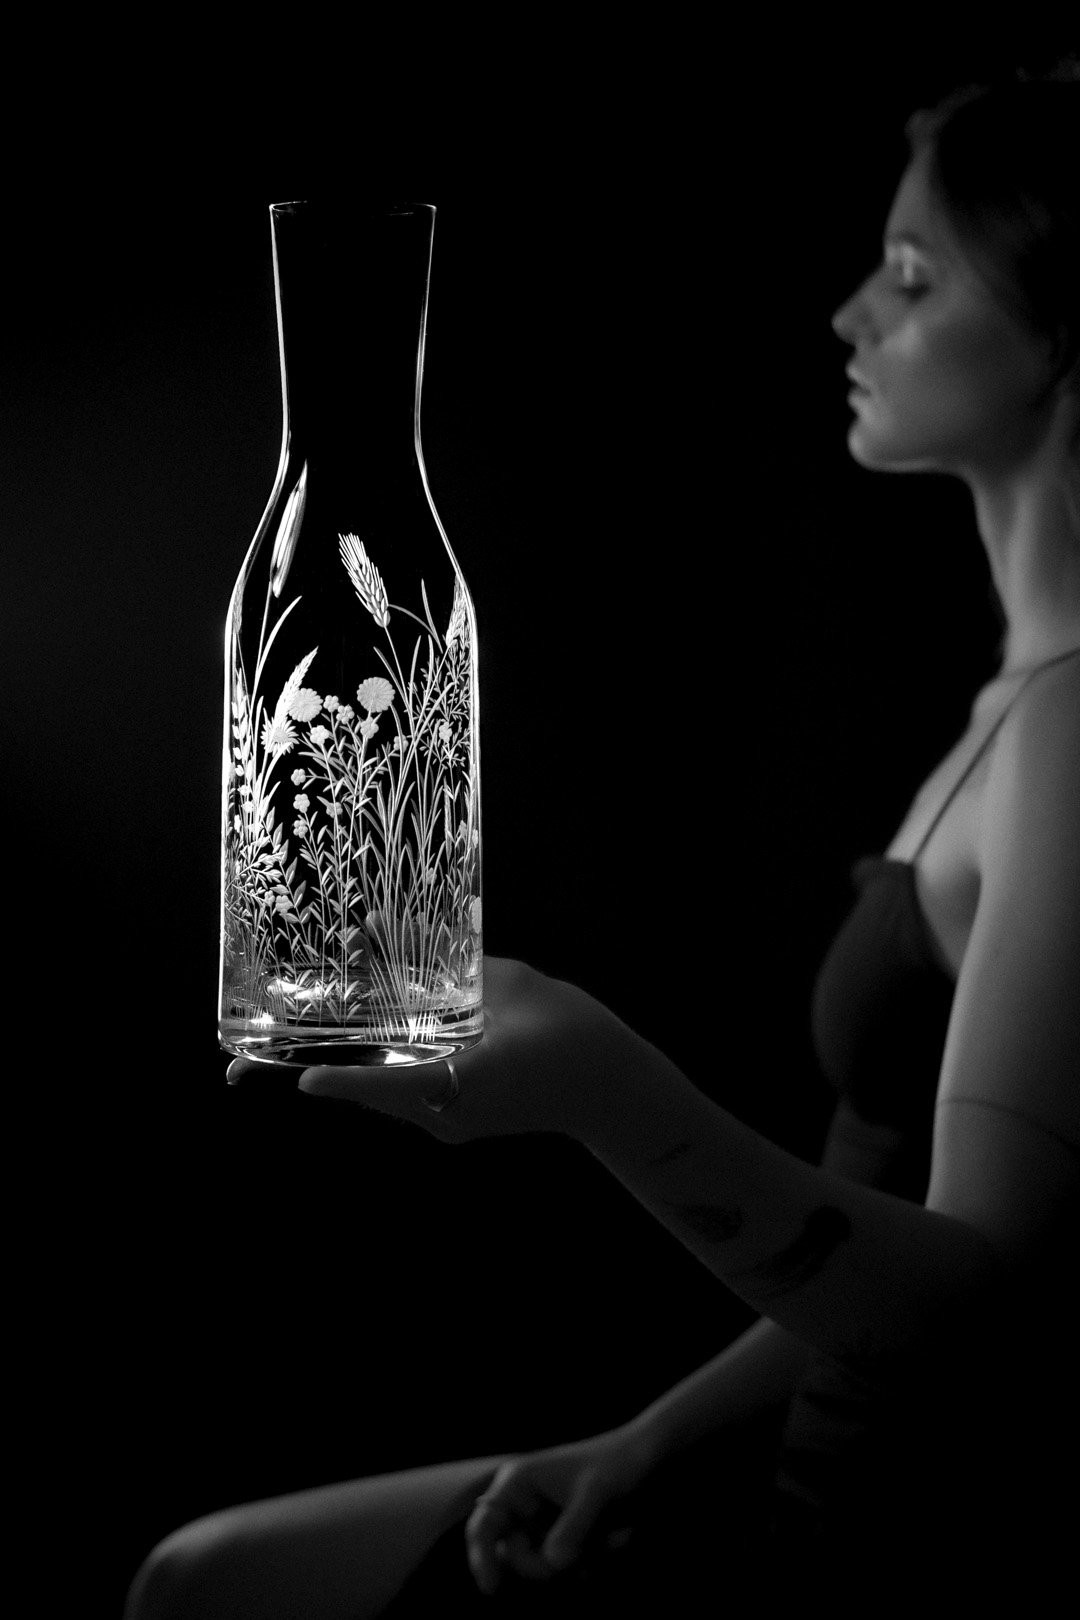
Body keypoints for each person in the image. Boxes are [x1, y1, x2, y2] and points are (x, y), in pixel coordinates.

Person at [126, 64, 1080, 1617]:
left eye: (913, 279)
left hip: (876, 1523)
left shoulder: (1071, 731)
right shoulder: (1019, 702)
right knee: (200, 1574)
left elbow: (986, 1302)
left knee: (202, 1590)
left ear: (1064, 334)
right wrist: (647, 1440)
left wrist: (598, 1088)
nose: (851, 314)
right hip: (760, 1453)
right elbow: (896, 1215)